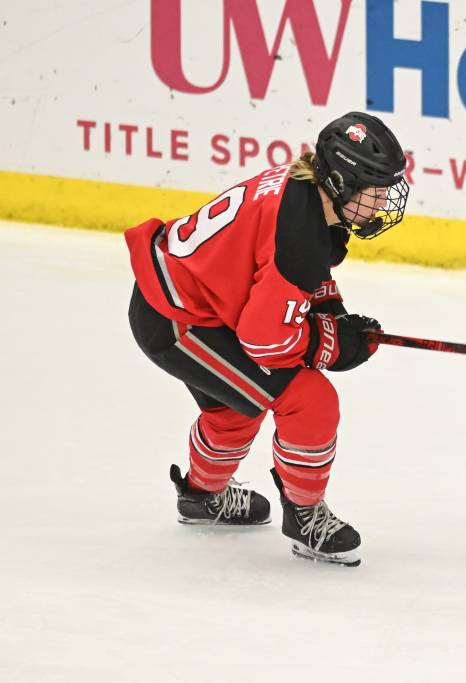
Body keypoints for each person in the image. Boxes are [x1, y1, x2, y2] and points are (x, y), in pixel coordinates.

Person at [125, 112, 409, 565]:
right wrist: (334, 344)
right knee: (309, 398)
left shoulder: (309, 195)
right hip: (179, 323)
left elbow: (290, 279)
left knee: (234, 408)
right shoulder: (301, 234)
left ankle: (201, 497)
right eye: (376, 188)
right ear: (340, 180)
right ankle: (304, 515)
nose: (384, 201)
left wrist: (331, 315)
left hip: (185, 301)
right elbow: (267, 342)